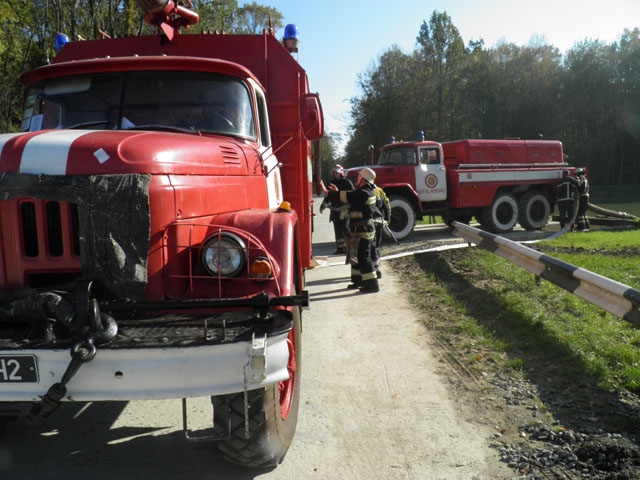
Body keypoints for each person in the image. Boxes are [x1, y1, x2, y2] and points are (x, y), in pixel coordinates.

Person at [326, 167, 381, 293]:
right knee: (355, 256)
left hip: (363, 230)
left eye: (359, 176)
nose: (357, 178)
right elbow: (351, 198)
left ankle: (372, 285)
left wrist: (332, 192)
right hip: (358, 229)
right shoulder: (364, 191)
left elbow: (349, 196)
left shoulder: (364, 192)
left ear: (364, 179)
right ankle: (358, 281)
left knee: (364, 257)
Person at [319, 165, 354, 254]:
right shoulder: (331, 182)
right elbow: (329, 196)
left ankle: (350, 248)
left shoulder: (347, 182)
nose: (335, 174)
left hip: (344, 212)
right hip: (334, 212)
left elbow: (352, 195)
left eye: (337, 172)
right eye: (334, 172)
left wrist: (338, 191)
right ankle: (340, 249)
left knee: (345, 229)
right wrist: (322, 206)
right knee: (337, 230)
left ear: (341, 173)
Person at [371, 182, 391, 279]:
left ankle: (373, 269)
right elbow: (386, 204)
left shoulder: (365, 191)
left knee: (370, 246)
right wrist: (388, 217)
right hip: (379, 222)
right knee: (377, 245)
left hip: (369, 224)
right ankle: (377, 267)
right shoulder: (379, 191)